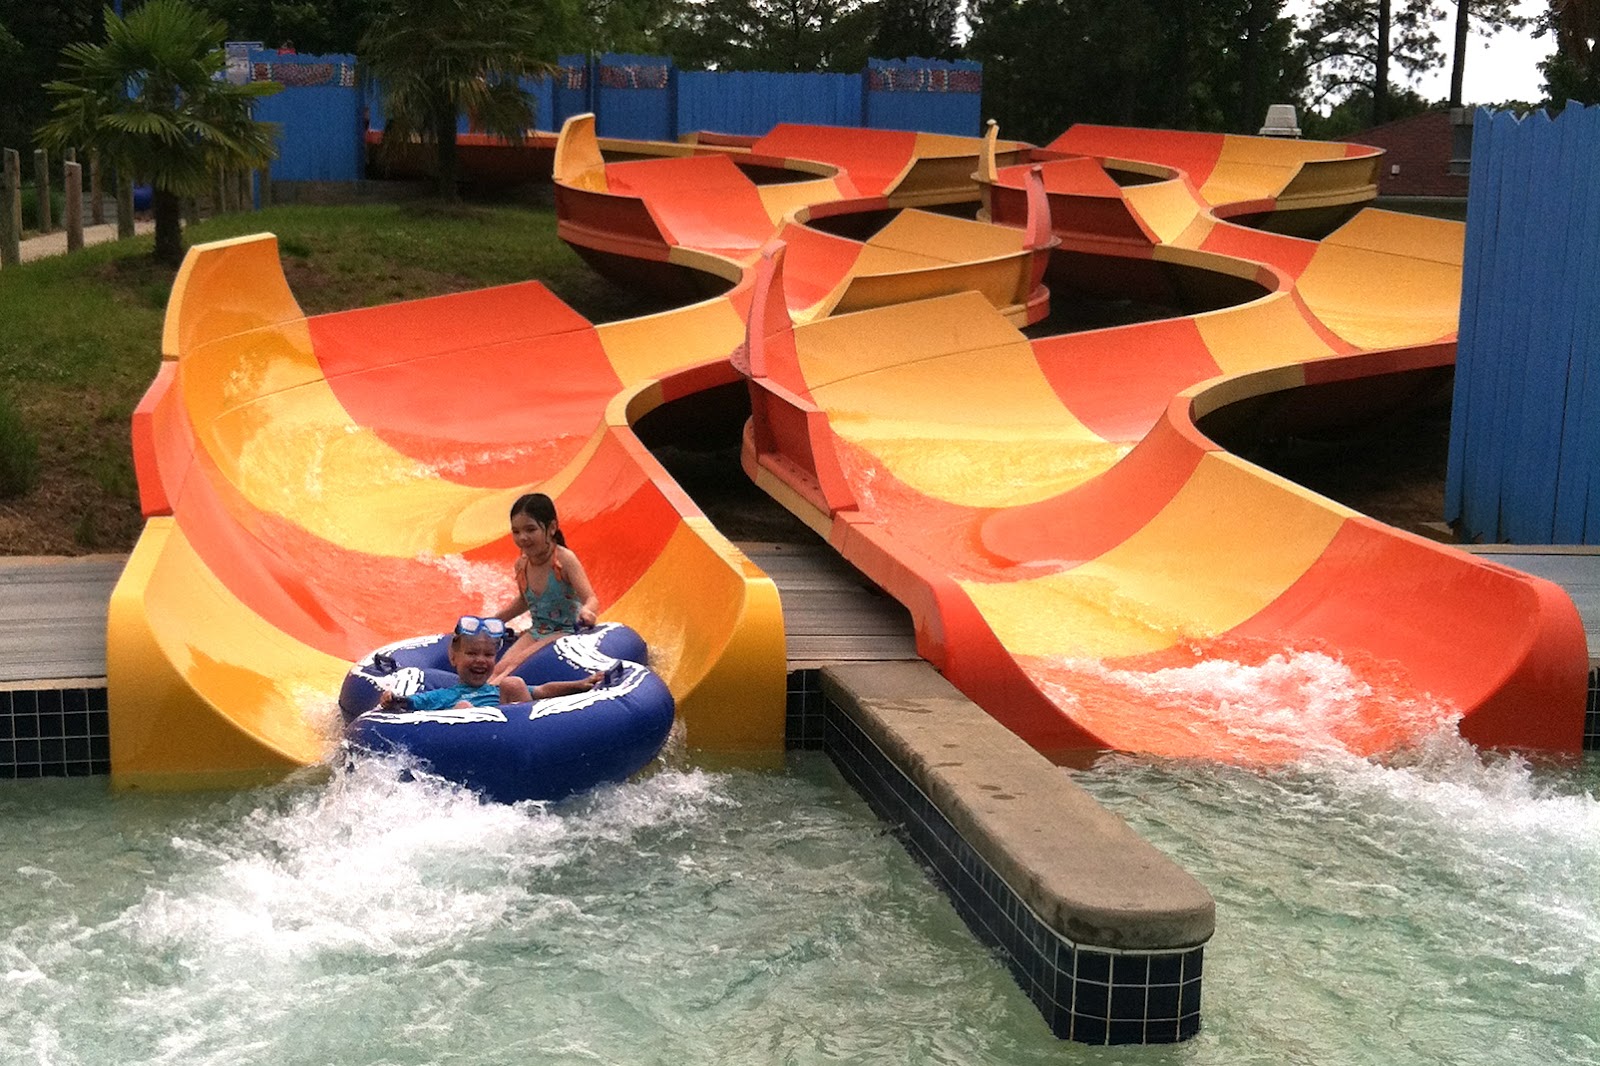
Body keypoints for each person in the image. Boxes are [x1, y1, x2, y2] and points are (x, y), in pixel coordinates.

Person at [486, 493, 599, 684]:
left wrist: (587, 612)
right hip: (537, 631)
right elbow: (524, 601)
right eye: (516, 531)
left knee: (515, 667)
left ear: (552, 528)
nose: (523, 538)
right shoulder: (522, 565)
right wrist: (495, 620)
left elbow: (591, 598)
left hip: (566, 631)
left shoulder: (563, 560)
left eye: (530, 529)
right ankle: (477, 700)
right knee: (499, 667)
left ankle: (488, 704)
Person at [380, 616, 601, 710]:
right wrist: (393, 700)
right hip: (474, 746)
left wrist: (580, 685)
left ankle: (530, 738)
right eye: (472, 653)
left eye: (488, 655)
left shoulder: (497, 690)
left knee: (513, 683)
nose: (480, 660)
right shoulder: (445, 696)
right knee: (463, 708)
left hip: (510, 736)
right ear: (453, 657)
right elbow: (414, 702)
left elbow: (543, 691)